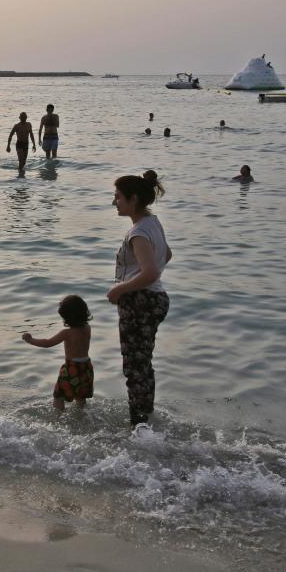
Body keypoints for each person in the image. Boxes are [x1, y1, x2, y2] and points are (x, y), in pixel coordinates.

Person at [108, 170, 172, 426]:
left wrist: (120, 289)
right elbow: (167, 254)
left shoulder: (138, 232)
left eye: (118, 197)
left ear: (133, 199)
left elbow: (151, 271)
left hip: (140, 302)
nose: (115, 202)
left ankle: (139, 425)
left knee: (134, 368)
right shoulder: (152, 223)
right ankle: (146, 417)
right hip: (154, 298)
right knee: (143, 364)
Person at [22, 295, 94, 412]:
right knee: (81, 396)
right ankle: (82, 416)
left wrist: (31, 340)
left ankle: (58, 419)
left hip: (72, 368)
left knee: (58, 396)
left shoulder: (66, 333)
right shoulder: (87, 328)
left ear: (66, 318)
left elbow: (47, 343)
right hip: (86, 368)